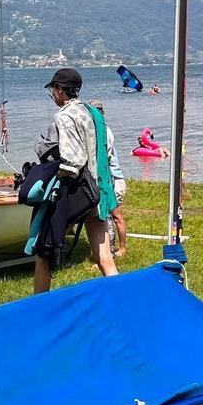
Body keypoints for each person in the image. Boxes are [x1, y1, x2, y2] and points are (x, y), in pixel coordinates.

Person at [33, 67, 118, 293]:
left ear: (61, 90)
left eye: (53, 89)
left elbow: (73, 161)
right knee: (104, 257)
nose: (52, 94)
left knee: (43, 250)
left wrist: (50, 175)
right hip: (97, 193)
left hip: (76, 193)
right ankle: (121, 301)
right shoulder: (93, 113)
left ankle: (39, 306)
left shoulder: (65, 116)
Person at [89, 101, 128, 257]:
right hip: (112, 178)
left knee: (113, 216)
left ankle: (116, 251)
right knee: (114, 216)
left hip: (113, 179)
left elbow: (103, 157)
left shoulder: (104, 131)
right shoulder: (102, 130)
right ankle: (116, 250)